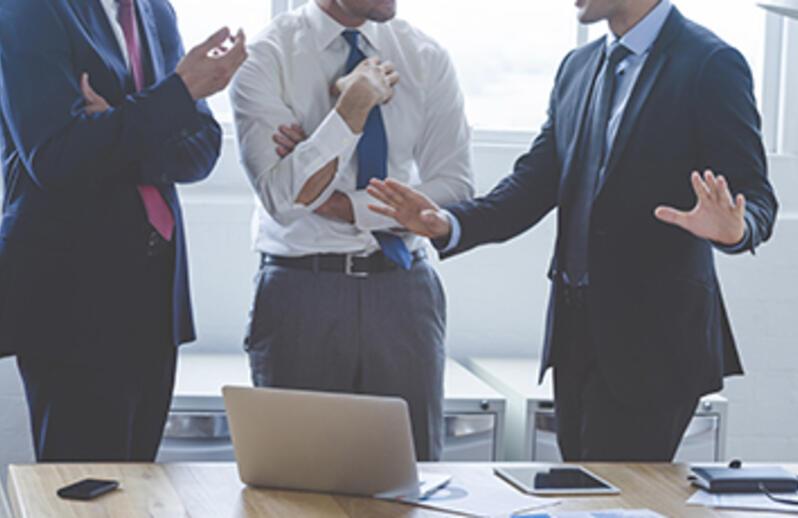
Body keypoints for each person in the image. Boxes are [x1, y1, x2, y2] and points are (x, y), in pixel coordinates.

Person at [367, 0, 778, 461]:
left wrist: (735, 230)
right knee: (579, 489)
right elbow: (534, 183)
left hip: (654, 343)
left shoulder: (710, 64)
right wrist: (449, 223)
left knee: (617, 492)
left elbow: (757, 197)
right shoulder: (578, 67)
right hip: (575, 335)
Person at [0, 0, 247, 461]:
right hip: (72, 299)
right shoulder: (29, 9)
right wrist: (178, 93)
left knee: (140, 486)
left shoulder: (155, 10)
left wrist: (115, 122)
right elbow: (56, 157)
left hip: (156, 297)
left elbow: (203, 148)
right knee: (81, 486)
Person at [230, 0, 474, 460]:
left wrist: (343, 203)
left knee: (409, 475)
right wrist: (352, 106)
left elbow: (455, 188)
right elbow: (284, 200)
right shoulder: (268, 56)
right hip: (301, 293)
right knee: (297, 478)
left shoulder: (424, 55)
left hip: (404, 291)